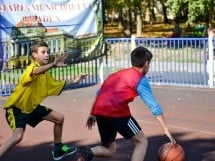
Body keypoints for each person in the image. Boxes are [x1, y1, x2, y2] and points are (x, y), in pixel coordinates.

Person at [76, 46, 176, 161]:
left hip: (100, 113)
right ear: (147, 63)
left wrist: (93, 114)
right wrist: (165, 129)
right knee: (141, 141)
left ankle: (87, 153)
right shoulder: (140, 79)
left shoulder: (116, 74)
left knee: (109, 150)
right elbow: (154, 107)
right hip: (117, 114)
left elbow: (99, 92)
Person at [0, 41, 87, 160]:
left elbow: (57, 84)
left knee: (59, 118)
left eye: (48, 52)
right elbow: (35, 72)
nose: (47, 55)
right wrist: (53, 65)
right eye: (43, 52)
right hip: (17, 108)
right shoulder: (32, 68)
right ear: (34, 55)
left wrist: (75, 81)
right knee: (18, 136)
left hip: (32, 108)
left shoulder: (46, 75)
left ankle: (58, 150)